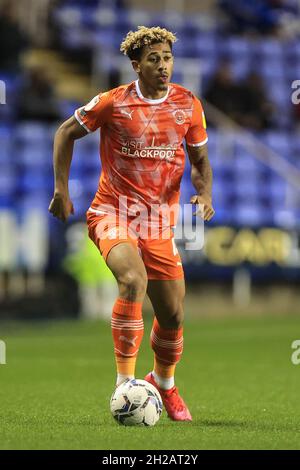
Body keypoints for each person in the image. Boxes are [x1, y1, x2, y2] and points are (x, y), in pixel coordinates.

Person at [49, 26, 214, 422]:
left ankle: (163, 384)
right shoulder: (114, 102)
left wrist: (205, 194)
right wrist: (61, 189)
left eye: (168, 58)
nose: (163, 65)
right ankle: (125, 385)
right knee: (132, 281)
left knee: (173, 315)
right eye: (154, 59)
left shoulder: (188, 105)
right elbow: (65, 132)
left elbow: (201, 162)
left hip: (158, 222)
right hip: (112, 211)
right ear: (136, 65)